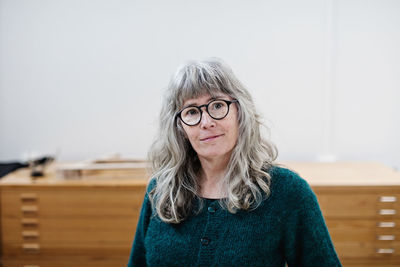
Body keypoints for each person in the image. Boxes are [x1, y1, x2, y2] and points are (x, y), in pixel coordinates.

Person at [127, 58, 342, 267]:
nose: (207, 122)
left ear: (240, 112)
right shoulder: (161, 190)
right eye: (192, 111)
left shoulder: (287, 192)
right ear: (180, 128)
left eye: (218, 105)